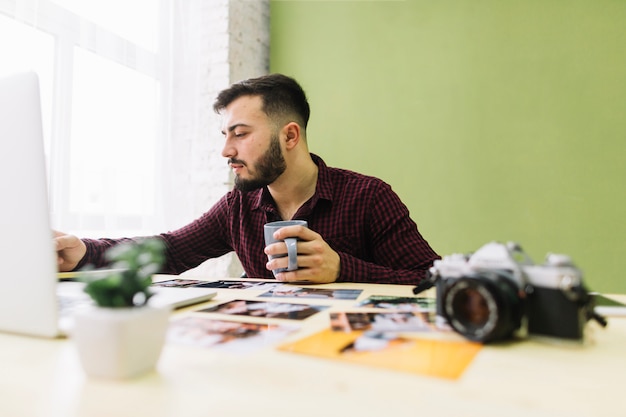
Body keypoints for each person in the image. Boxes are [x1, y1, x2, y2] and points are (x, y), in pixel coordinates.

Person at [55, 73, 439, 285]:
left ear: (290, 136)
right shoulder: (238, 206)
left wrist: (341, 268)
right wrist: (85, 252)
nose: (226, 151)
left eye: (239, 133)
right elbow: (170, 250)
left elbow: (432, 278)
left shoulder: (368, 196)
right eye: (224, 135)